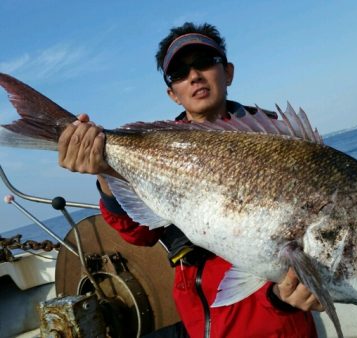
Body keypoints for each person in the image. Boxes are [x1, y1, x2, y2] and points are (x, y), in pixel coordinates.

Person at [58, 22, 323, 338]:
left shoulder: (277, 139)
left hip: (275, 319)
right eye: (180, 73)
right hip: (202, 321)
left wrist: (300, 290)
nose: (194, 75)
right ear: (172, 94)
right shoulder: (159, 144)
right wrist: (106, 173)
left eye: (205, 62)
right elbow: (140, 233)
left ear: (228, 72)